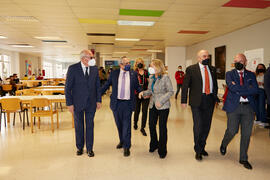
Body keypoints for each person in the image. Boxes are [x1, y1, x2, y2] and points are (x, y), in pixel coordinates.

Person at [220, 53, 258, 170]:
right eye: (236, 61)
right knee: (232, 130)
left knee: (246, 134)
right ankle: (224, 143)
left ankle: (243, 158)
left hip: (248, 107)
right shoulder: (229, 74)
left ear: (245, 62)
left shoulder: (251, 75)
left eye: (240, 61)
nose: (238, 63)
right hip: (233, 106)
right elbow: (232, 88)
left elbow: (255, 90)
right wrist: (247, 89)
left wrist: (239, 89)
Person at [100, 56, 141, 157]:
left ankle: (127, 147)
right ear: (121, 65)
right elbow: (107, 84)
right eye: (126, 63)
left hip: (128, 103)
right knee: (119, 124)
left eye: (129, 63)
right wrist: (98, 94)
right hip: (116, 103)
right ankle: (122, 141)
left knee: (127, 125)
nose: (128, 65)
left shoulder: (133, 74)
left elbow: (137, 86)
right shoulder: (114, 73)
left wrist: (142, 92)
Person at [181, 50, 218, 161]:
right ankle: (198, 150)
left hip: (209, 100)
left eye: (207, 56)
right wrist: (183, 100)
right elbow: (185, 86)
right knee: (198, 125)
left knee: (206, 126)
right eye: (204, 56)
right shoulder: (191, 69)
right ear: (198, 58)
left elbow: (214, 84)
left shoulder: (212, 69)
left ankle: (202, 147)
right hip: (196, 101)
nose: (206, 58)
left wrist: (215, 98)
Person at [65, 50, 101, 157]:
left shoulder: (94, 69)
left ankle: (90, 148)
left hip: (91, 103)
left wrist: (98, 100)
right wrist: (69, 103)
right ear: (83, 58)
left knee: (90, 125)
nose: (92, 59)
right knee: (79, 125)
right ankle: (80, 147)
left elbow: (97, 86)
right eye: (90, 57)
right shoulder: (73, 68)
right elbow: (67, 88)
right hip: (77, 103)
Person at [139, 59, 173, 159]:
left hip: (163, 106)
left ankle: (162, 149)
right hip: (152, 105)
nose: (150, 68)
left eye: (152, 66)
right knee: (151, 125)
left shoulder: (165, 77)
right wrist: (143, 93)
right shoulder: (151, 77)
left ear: (158, 67)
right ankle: (154, 144)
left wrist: (161, 101)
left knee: (162, 127)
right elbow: (150, 91)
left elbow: (170, 91)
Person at [133, 58, 150, 136]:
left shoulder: (146, 72)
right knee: (137, 110)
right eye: (138, 63)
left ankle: (143, 127)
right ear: (136, 64)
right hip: (136, 94)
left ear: (143, 63)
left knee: (145, 111)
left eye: (141, 62)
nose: (139, 64)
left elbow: (150, 82)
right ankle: (135, 123)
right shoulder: (134, 72)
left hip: (146, 93)